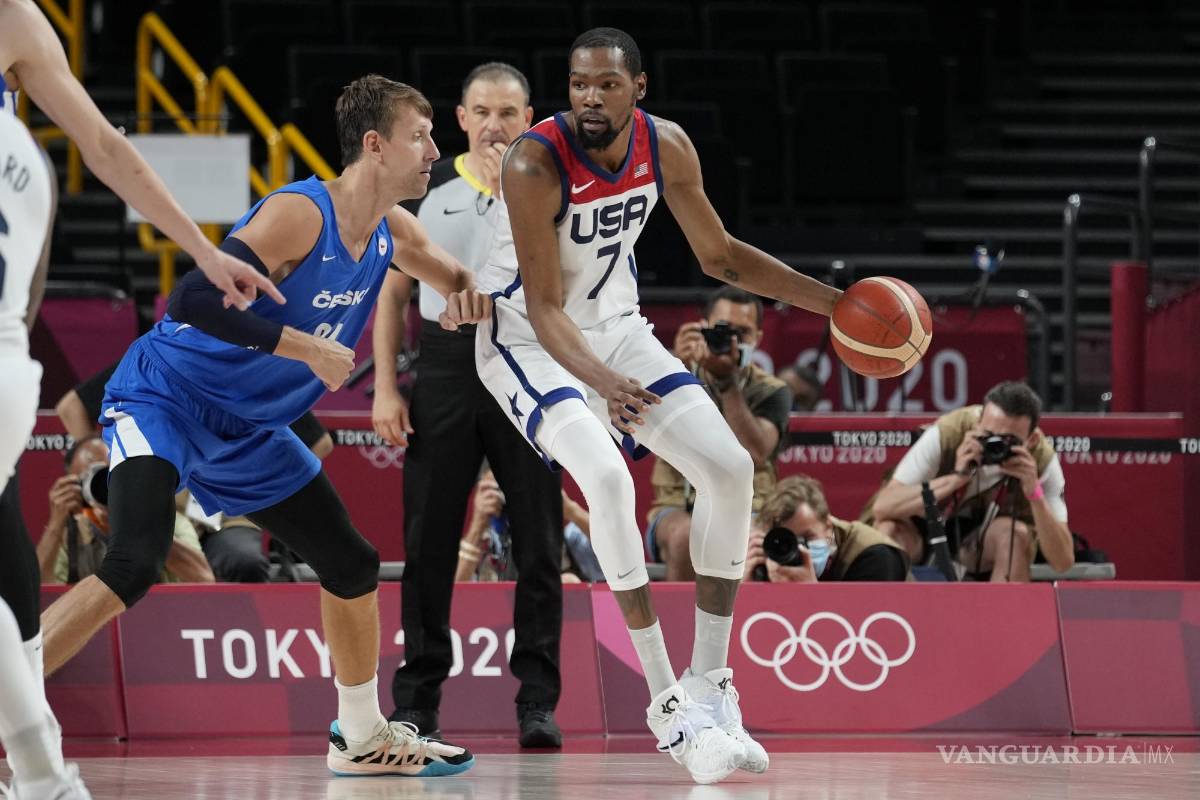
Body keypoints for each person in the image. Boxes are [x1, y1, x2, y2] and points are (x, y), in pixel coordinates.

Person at [39, 74, 492, 777]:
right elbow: (191, 297)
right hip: (168, 396)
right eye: (420, 135)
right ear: (374, 146)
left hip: (248, 425)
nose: (435, 148)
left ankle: (361, 736)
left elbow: (457, 276)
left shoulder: (392, 231)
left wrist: (471, 299)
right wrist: (304, 347)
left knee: (351, 564)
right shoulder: (300, 215)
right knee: (133, 561)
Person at [474, 28, 840, 784]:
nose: (589, 99)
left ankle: (711, 684)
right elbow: (544, 309)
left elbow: (722, 257)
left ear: (638, 88)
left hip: (617, 329)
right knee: (607, 480)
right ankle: (667, 703)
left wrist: (837, 304)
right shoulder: (534, 162)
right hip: (529, 342)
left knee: (732, 469)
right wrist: (605, 390)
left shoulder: (665, 146)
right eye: (578, 85)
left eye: (606, 85)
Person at [0, 1, 284, 795]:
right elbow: (99, 151)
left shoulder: (18, 21)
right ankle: (43, 773)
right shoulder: (18, 30)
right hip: (6, 361)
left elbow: (103, 147)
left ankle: (44, 775)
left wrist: (200, 252)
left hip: (5, 351)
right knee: (6, 563)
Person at [372, 63, 566, 748]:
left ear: (530, 117)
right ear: (461, 118)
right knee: (426, 539)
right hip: (448, 369)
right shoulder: (433, 193)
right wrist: (387, 387)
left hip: (528, 363)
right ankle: (417, 699)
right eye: (481, 111)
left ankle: (538, 701)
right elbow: (394, 296)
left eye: (508, 113)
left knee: (541, 540)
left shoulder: (550, 192)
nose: (494, 125)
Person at [56, 363, 333, 583]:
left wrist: (256, 484)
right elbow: (71, 407)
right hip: (161, 504)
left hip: (226, 513)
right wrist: (107, 470)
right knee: (129, 561)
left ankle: (242, 631)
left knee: (243, 560)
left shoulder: (249, 367)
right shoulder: (148, 361)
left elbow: (319, 444)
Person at [646, 286, 793, 580]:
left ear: (758, 339)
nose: (732, 341)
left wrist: (728, 384)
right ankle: (683, 625)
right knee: (686, 535)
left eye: (743, 333)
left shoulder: (772, 390)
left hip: (750, 508)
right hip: (676, 505)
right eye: (723, 330)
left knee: (752, 541)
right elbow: (640, 420)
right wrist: (673, 366)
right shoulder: (672, 373)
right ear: (702, 328)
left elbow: (756, 452)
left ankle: (746, 625)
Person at [870, 381, 1074, 582]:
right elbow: (883, 507)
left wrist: (1034, 493)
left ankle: (1003, 614)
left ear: (1032, 440)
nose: (995, 446)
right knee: (888, 531)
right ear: (978, 422)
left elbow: (1063, 562)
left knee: (1014, 537)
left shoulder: (1042, 460)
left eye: (1008, 441)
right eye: (988, 436)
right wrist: (956, 478)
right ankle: (889, 612)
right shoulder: (949, 432)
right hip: (923, 535)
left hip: (978, 546)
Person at [36, 437, 214, 585]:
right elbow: (39, 596)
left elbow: (204, 580)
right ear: (73, 485)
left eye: (108, 475)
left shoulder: (166, 522)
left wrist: (137, 529)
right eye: (88, 480)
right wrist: (55, 526)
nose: (104, 487)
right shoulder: (69, 536)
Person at [744, 475, 909, 583]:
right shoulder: (768, 556)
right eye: (786, 542)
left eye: (807, 538)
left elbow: (866, 630)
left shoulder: (875, 556)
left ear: (828, 527)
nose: (797, 549)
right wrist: (747, 588)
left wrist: (811, 592)